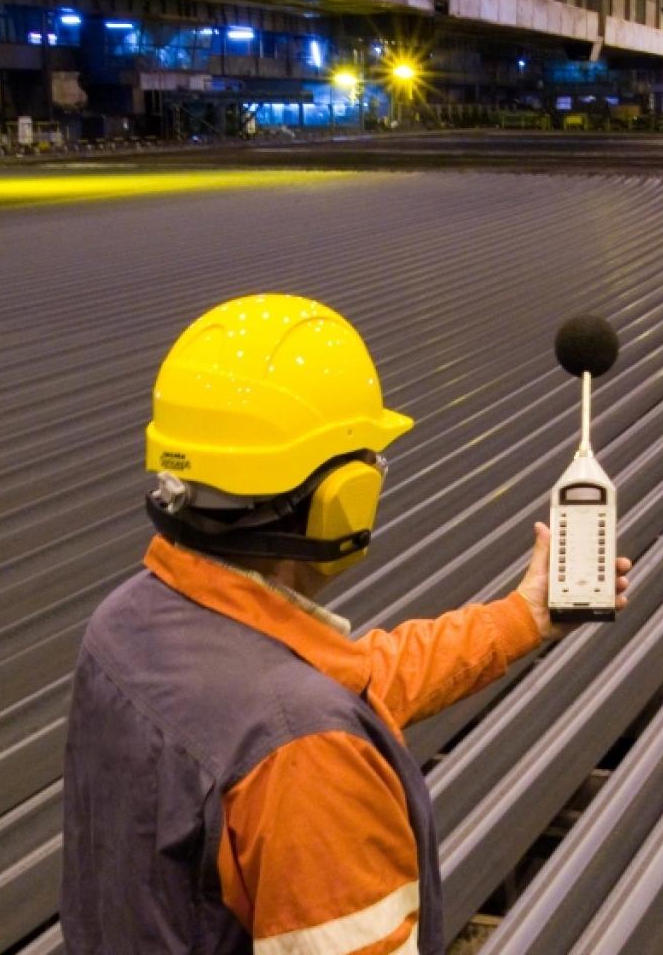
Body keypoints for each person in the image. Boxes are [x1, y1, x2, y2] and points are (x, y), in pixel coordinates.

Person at [60, 295, 631, 955]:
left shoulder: (127, 623)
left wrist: (523, 617)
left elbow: (342, 685)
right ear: (342, 498)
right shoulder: (307, 757)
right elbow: (302, 729)